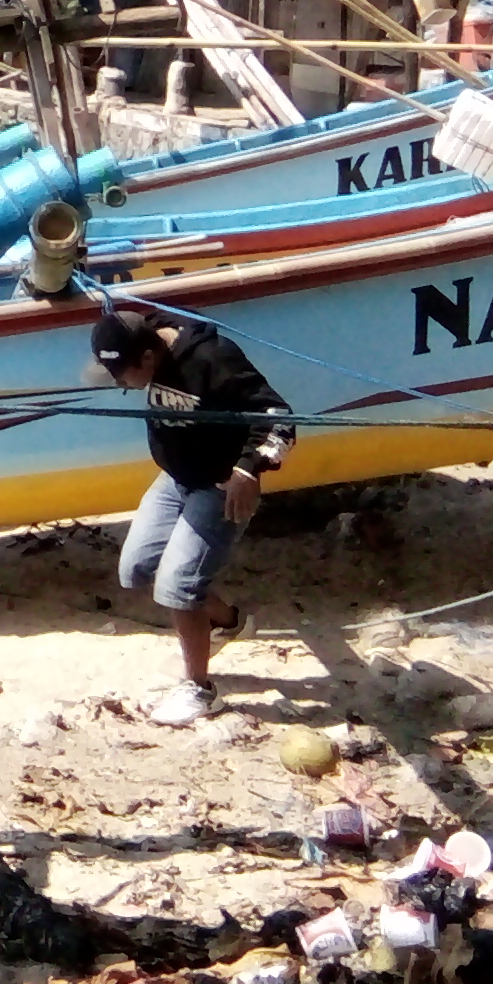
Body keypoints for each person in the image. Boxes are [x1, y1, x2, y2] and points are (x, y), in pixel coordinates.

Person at [89, 303, 296, 725]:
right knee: (137, 570)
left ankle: (201, 691)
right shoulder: (146, 337)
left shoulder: (212, 358)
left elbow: (280, 420)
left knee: (178, 587)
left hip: (218, 486)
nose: (121, 385)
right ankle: (230, 622)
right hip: (174, 479)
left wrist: (248, 470)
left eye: (124, 375)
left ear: (148, 357)